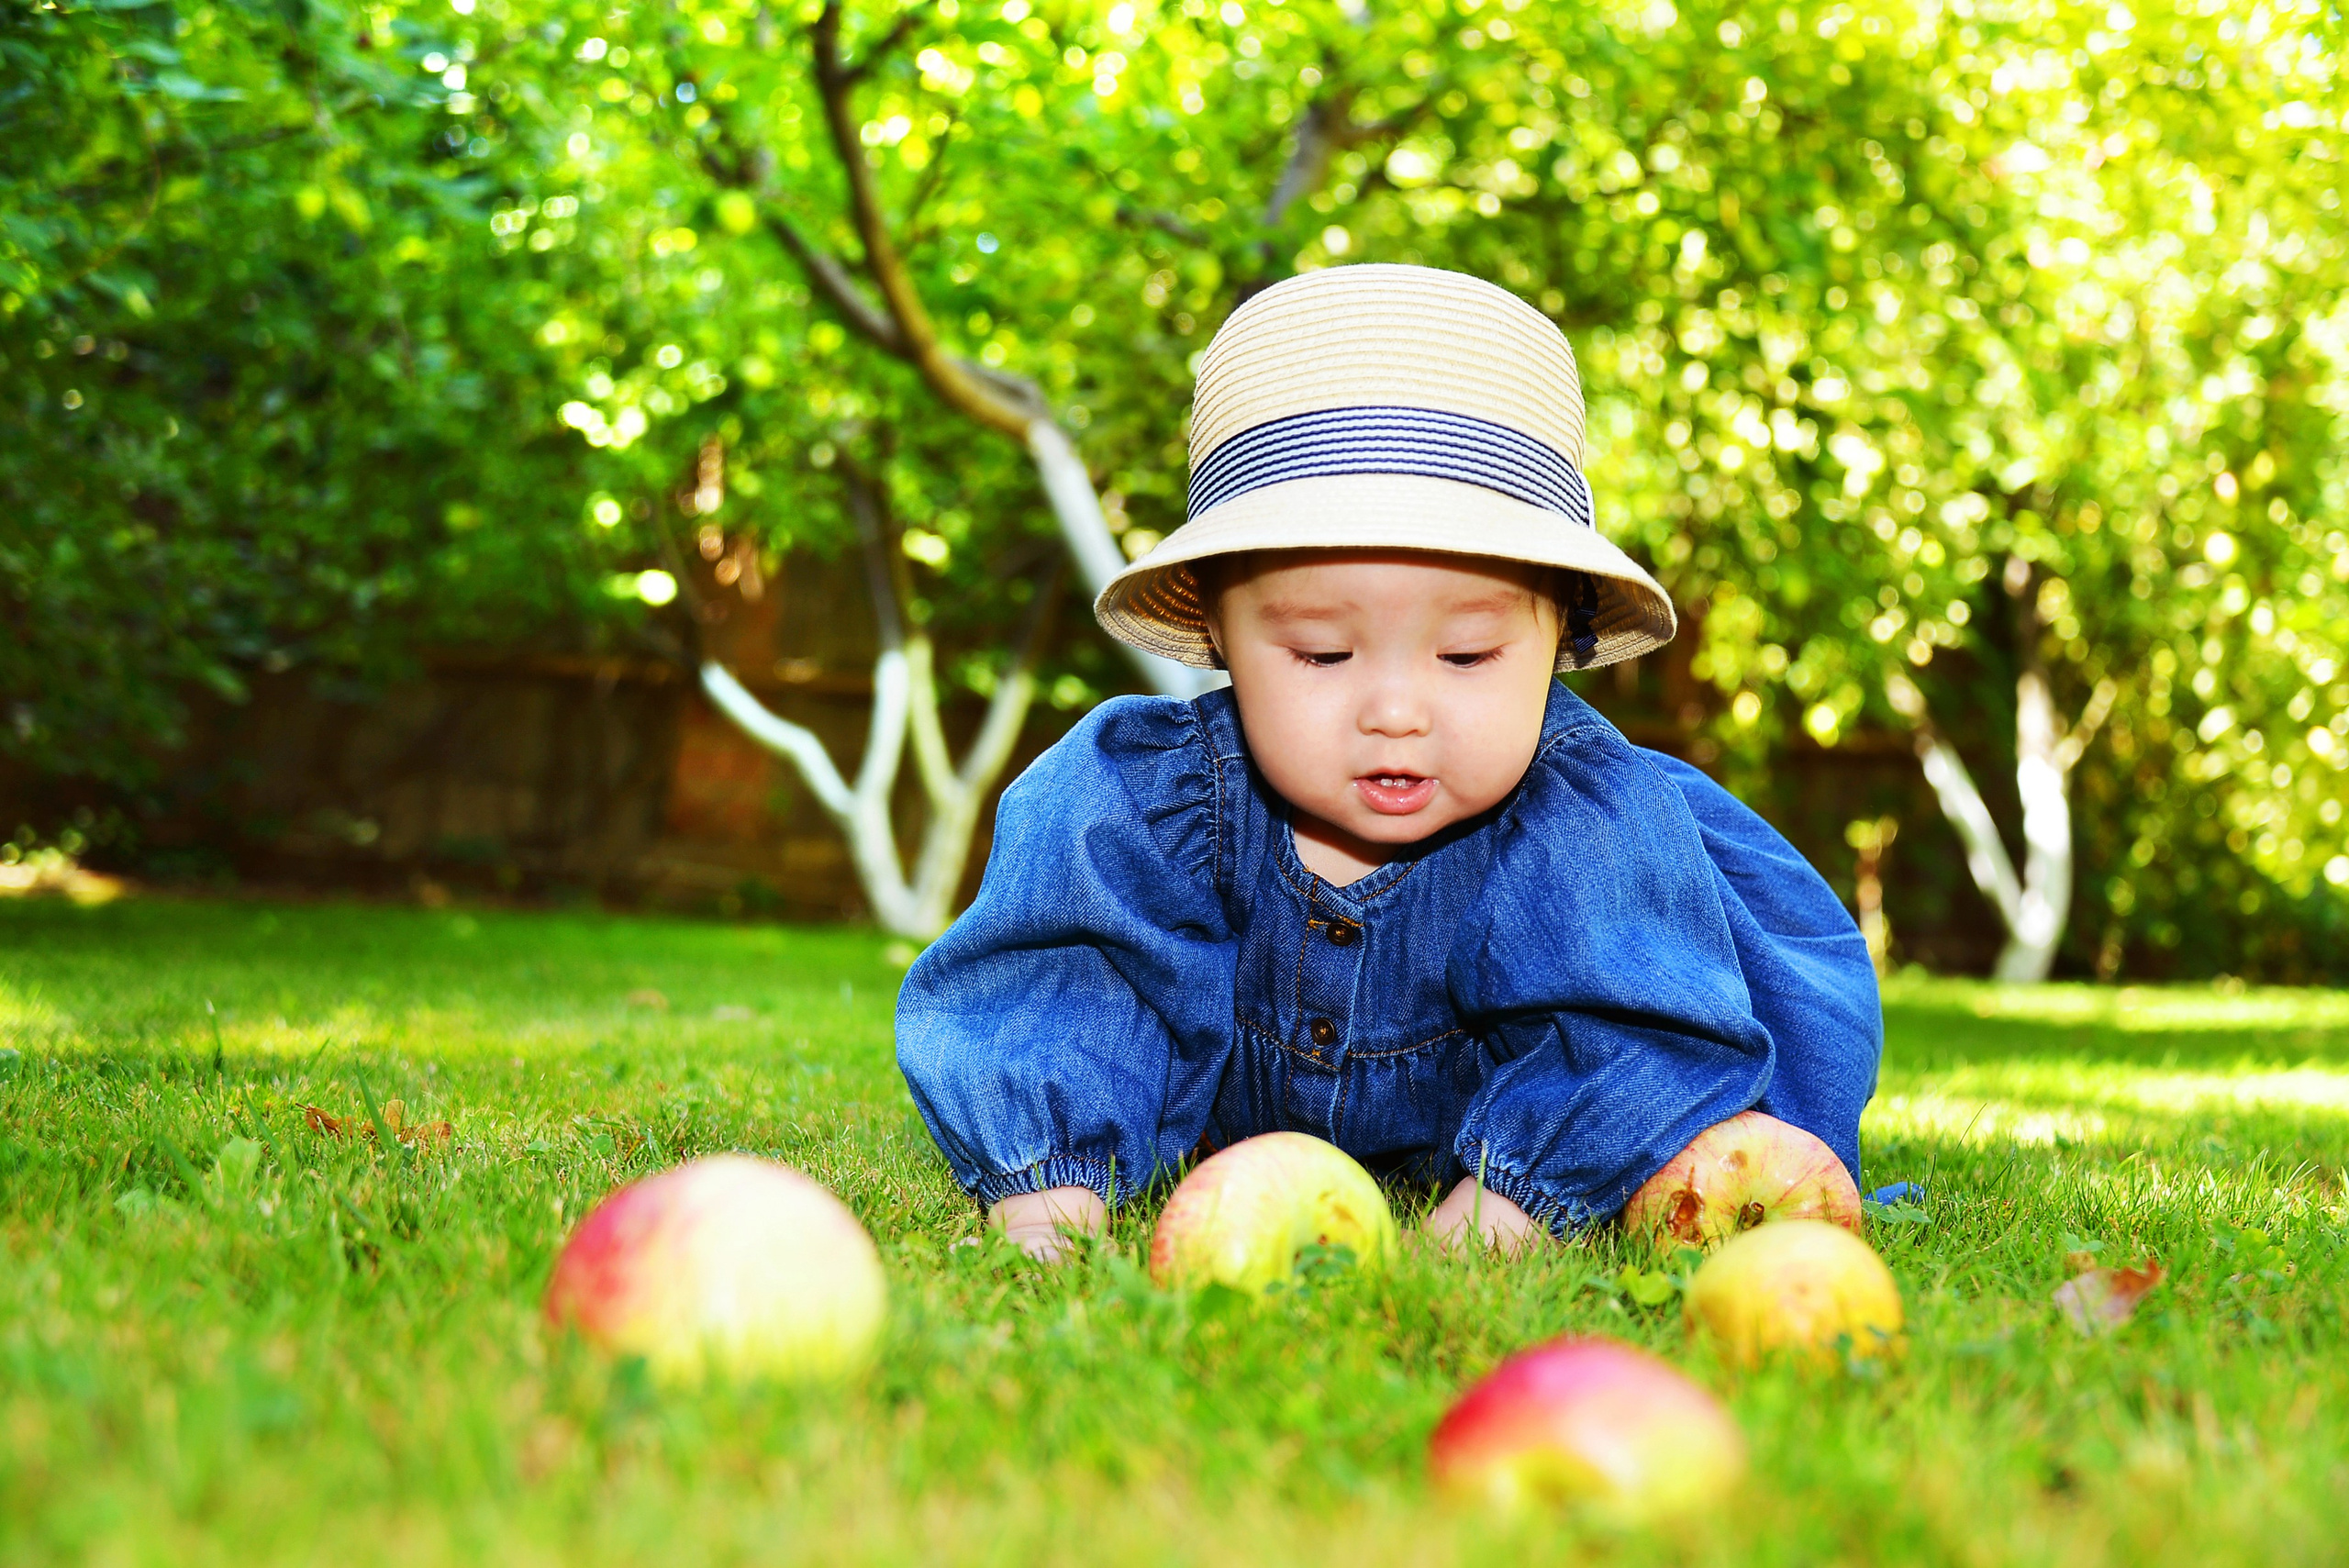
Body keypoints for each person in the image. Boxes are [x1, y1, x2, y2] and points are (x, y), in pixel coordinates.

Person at [896, 264, 1881, 1262]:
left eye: (1467, 655)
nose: (1398, 710)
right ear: (1215, 628)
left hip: (1504, 1174)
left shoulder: (1585, 824)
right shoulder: (1144, 800)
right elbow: (1063, 989)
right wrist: (1045, 1202)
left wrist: (1499, 1221)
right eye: (1322, 652)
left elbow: (1632, 1034)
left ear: (1561, 637)